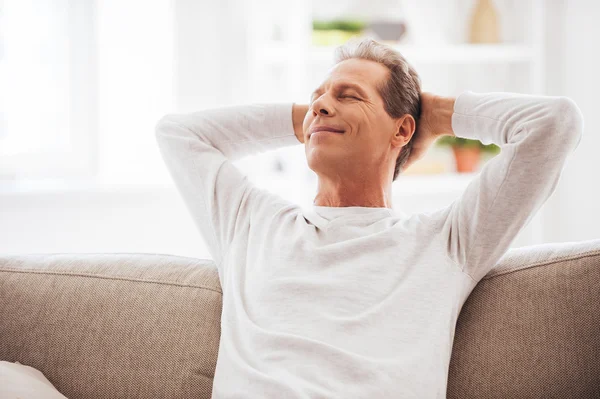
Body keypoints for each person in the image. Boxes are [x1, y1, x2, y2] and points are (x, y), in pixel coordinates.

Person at [154, 37, 583, 398]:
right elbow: (178, 133)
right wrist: (312, 117)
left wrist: (433, 115)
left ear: (402, 131)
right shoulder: (249, 222)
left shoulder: (446, 242)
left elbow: (553, 122)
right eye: (315, 98)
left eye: (349, 95)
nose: (320, 106)